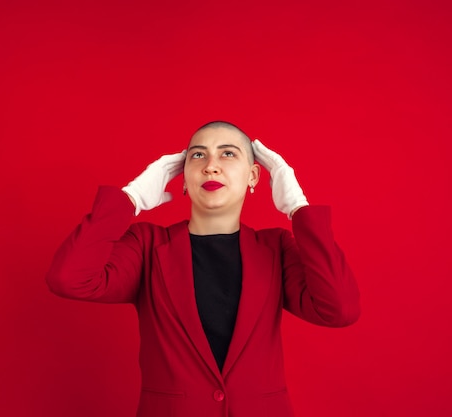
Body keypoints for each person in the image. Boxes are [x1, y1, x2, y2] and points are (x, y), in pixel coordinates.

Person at [45, 121, 361, 417]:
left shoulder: (276, 248)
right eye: (198, 155)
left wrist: (297, 207)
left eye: (228, 153)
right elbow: (69, 278)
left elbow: (339, 309)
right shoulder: (147, 246)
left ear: (253, 176)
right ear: (183, 178)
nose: (211, 165)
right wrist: (131, 197)